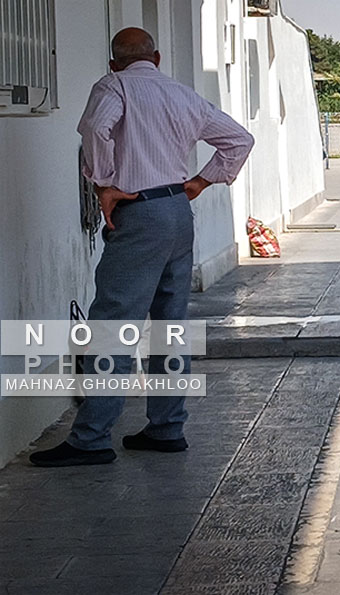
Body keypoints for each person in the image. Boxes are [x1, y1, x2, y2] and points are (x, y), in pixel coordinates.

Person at [30, 27, 254, 467]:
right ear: (157, 57)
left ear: (114, 62)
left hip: (140, 215)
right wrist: (200, 181)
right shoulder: (182, 94)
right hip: (175, 211)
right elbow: (239, 140)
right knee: (170, 325)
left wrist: (105, 182)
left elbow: (96, 127)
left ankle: (92, 438)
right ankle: (167, 428)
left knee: (113, 326)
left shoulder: (113, 86)